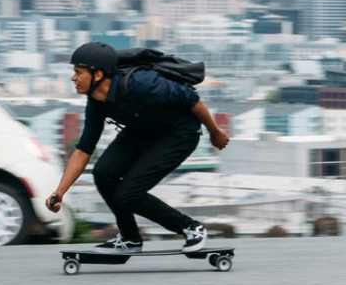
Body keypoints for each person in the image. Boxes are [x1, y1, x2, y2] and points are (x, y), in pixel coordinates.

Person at [46, 42, 229, 252]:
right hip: (141, 131)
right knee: (103, 172)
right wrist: (60, 192)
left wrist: (215, 132)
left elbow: (191, 98)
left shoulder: (140, 83)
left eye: (78, 72)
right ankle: (130, 238)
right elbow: (84, 149)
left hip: (178, 135)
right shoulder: (96, 102)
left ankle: (190, 228)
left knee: (128, 194)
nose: (73, 77)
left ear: (97, 75)